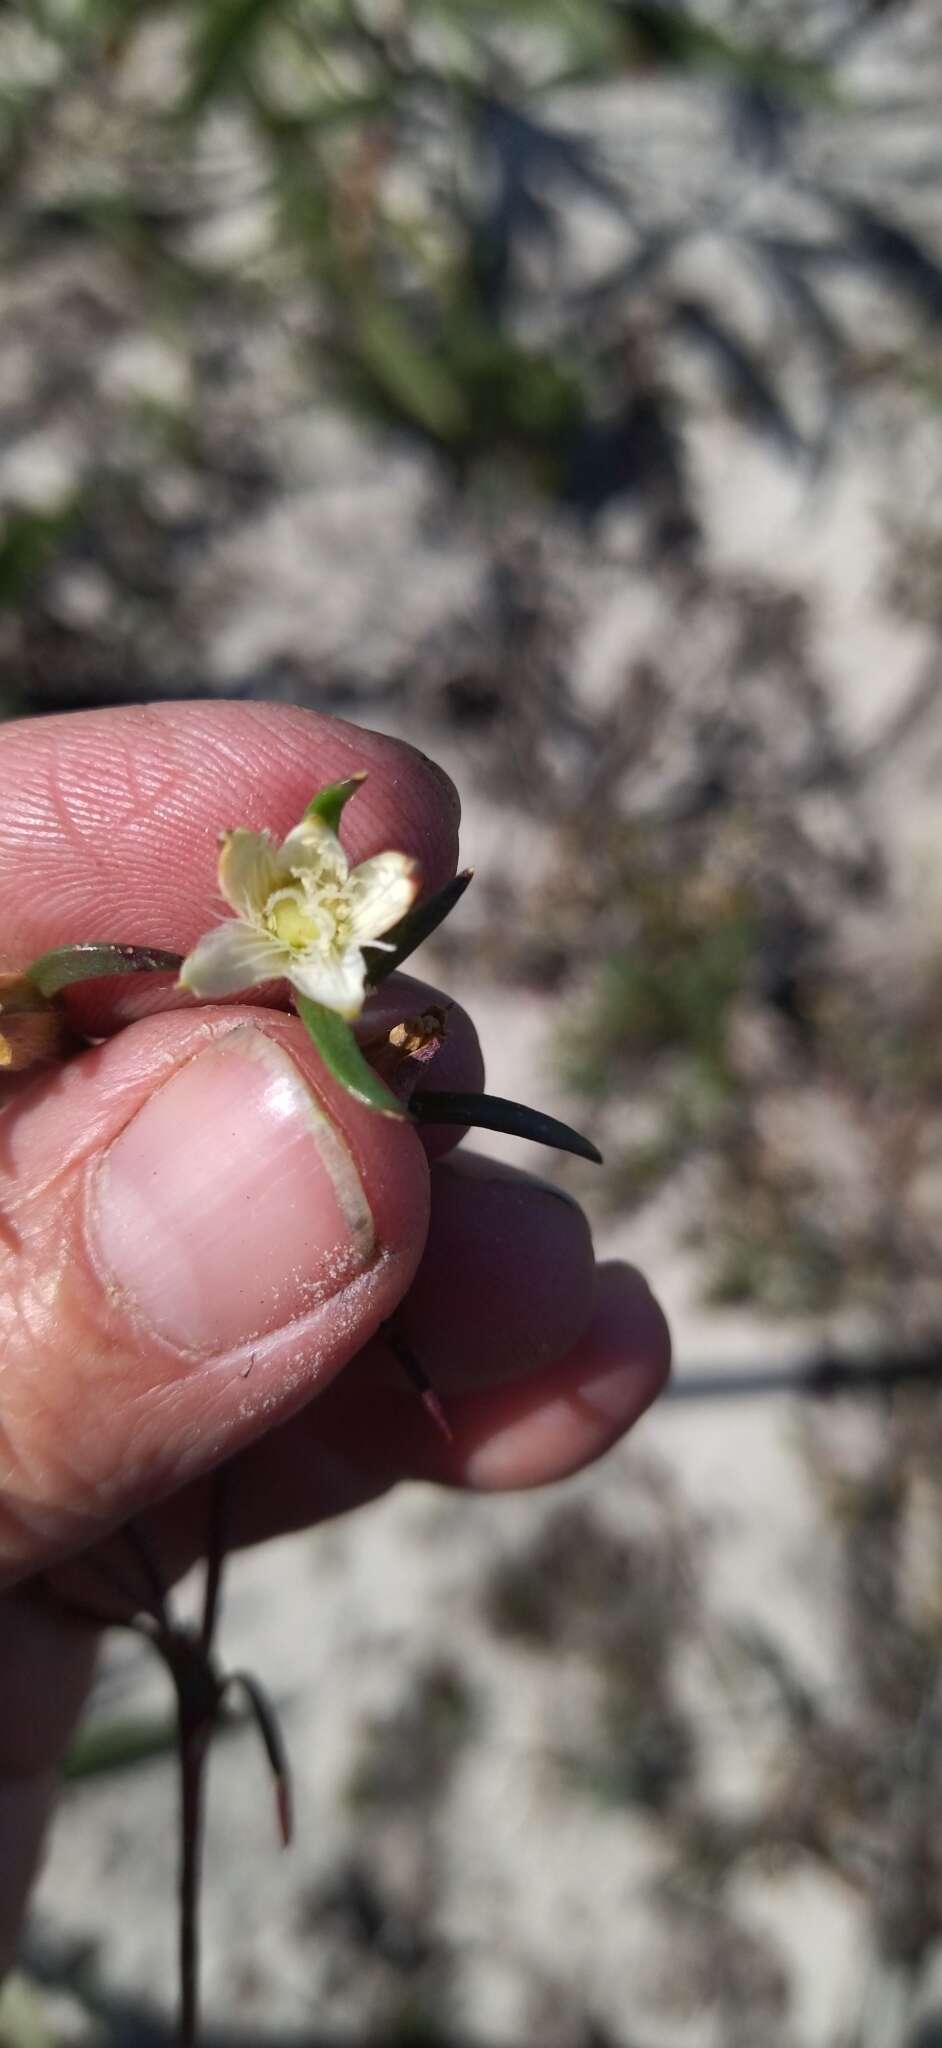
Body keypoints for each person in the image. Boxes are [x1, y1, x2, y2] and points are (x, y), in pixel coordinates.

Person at [0, 700, 670, 1971]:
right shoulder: (229, 956)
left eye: (325, 901)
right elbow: (208, 968)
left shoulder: (293, 957)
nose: (308, 908)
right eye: (293, 902)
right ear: (256, 900)